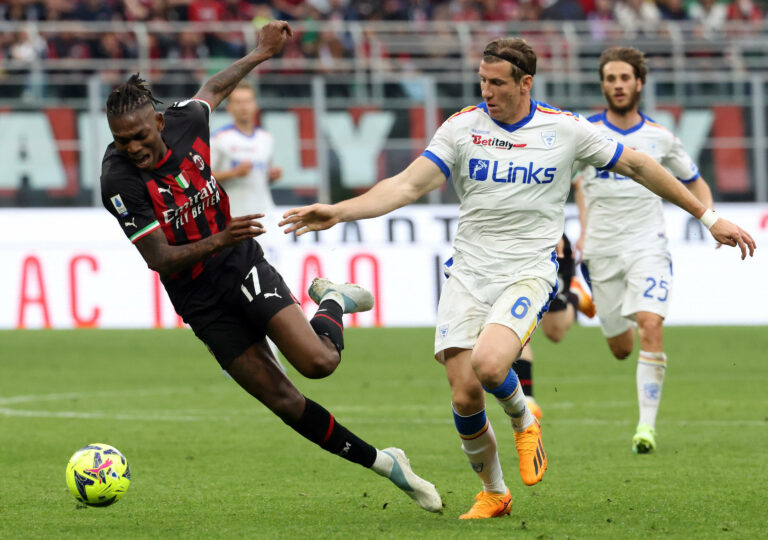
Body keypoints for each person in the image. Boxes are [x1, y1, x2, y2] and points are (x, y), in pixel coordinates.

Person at [280, 37, 755, 519]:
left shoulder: (565, 129)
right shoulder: (462, 127)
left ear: (526, 83)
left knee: (490, 366)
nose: (486, 91)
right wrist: (339, 211)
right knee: (464, 393)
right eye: (482, 81)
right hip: (468, 272)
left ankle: (524, 418)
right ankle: (494, 492)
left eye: (497, 83)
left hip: (528, 271)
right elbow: (406, 185)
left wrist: (708, 217)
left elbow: (638, 164)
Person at [99, 21, 442, 514]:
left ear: (157, 121)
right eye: (121, 140)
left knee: (319, 364)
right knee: (283, 401)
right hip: (197, 297)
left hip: (239, 263)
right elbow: (159, 258)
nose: (132, 148)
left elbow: (214, 87)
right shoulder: (119, 180)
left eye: (137, 136)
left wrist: (261, 51)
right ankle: (386, 464)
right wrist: (221, 235)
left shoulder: (186, 121)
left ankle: (332, 300)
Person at [571, 46, 716, 454]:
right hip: (600, 252)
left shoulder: (661, 137)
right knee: (621, 349)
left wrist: (711, 219)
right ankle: (597, 303)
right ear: (602, 84)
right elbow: (570, 183)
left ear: (639, 82)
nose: (618, 85)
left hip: (647, 245)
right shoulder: (583, 134)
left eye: (624, 78)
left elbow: (694, 180)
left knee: (651, 324)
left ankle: (645, 429)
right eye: (610, 79)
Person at [513, 233, 596, 420]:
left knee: (554, 333)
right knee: (512, 324)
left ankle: (574, 294)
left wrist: (557, 233)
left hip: (547, 246)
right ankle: (527, 399)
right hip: (508, 250)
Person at [211, 81, 284, 261]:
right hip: (233, 221)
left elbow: (263, 175)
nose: (244, 107)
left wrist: (272, 176)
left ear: (255, 105)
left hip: (264, 219)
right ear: (229, 108)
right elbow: (202, 178)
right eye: (238, 102)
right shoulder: (219, 139)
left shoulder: (266, 138)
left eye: (247, 101)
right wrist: (233, 173)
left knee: (272, 271)